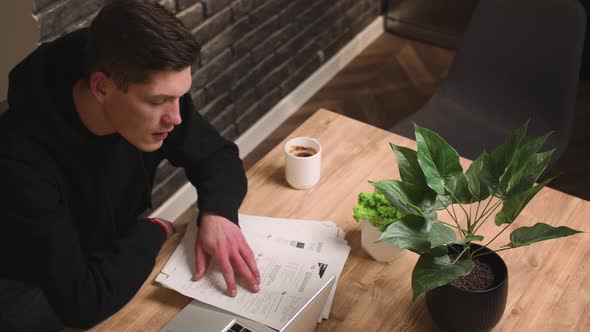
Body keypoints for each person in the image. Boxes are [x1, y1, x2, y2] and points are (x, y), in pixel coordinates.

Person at [0, 0, 260, 330]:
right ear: (101, 87)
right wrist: (155, 230)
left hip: (103, 251)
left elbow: (217, 155)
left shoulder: (155, 90)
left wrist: (218, 214)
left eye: (179, 97)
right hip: (25, 280)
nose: (176, 117)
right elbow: (83, 303)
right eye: (158, 101)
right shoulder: (19, 161)